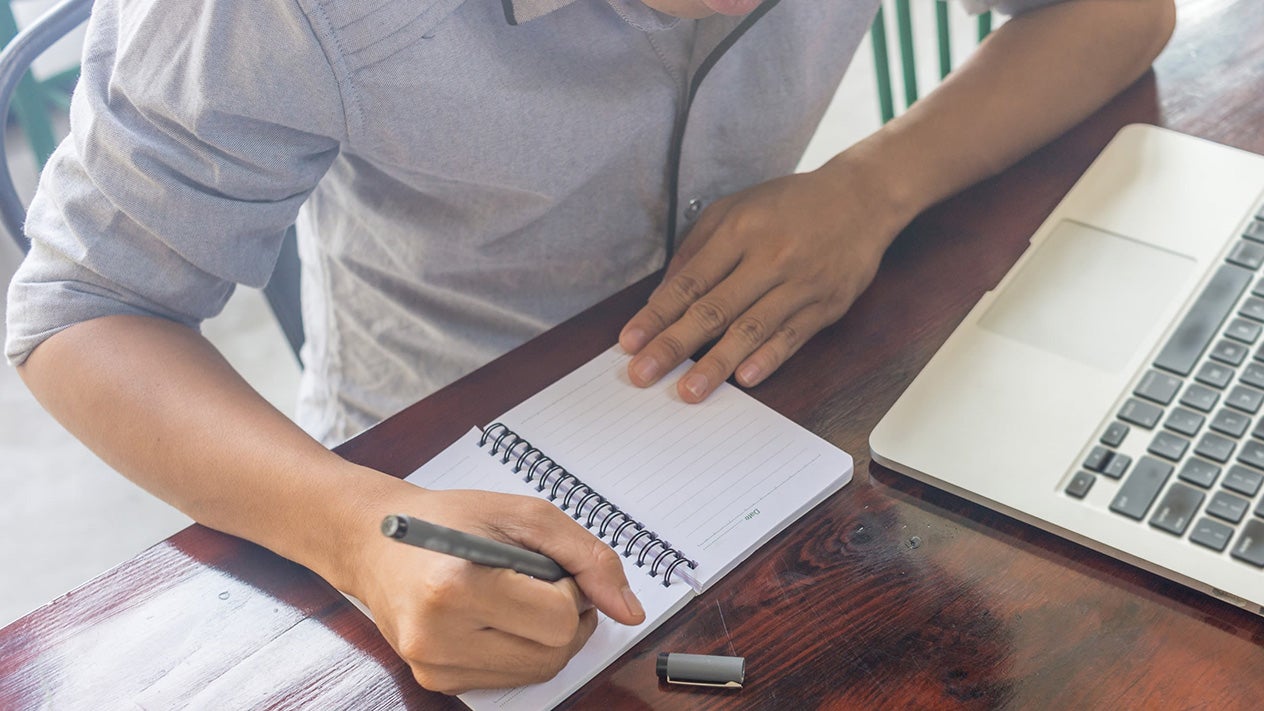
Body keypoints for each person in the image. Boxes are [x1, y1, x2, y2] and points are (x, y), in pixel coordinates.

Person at [6, 0, 1174, 696]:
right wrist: (352, 532)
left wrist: (872, 186)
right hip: (437, 465)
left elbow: (1120, 13)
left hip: (783, 400)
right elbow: (85, 308)